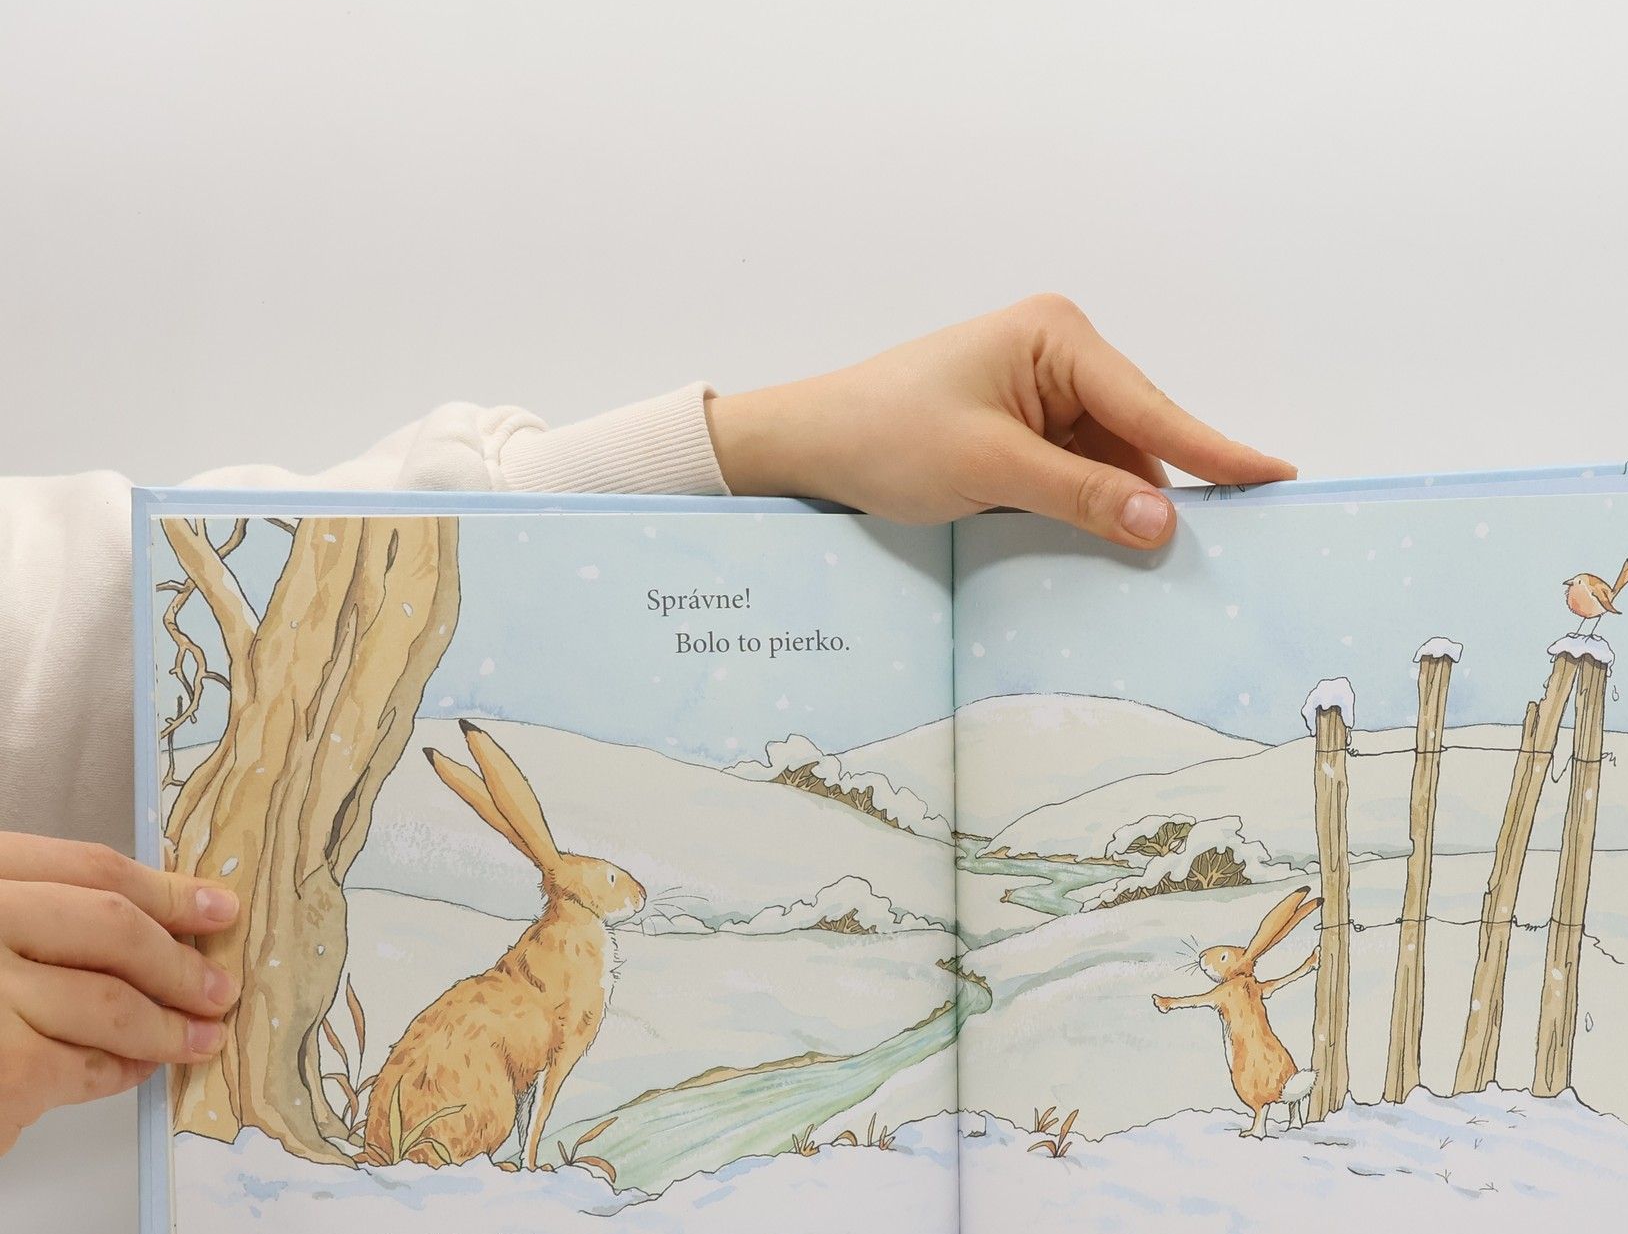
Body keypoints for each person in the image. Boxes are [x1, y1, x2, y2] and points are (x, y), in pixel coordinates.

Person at [0, 295, 1292, 1156]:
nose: (622, 889)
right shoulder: (556, 951)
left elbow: (76, 626)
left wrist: (750, 444)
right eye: (598, 879)